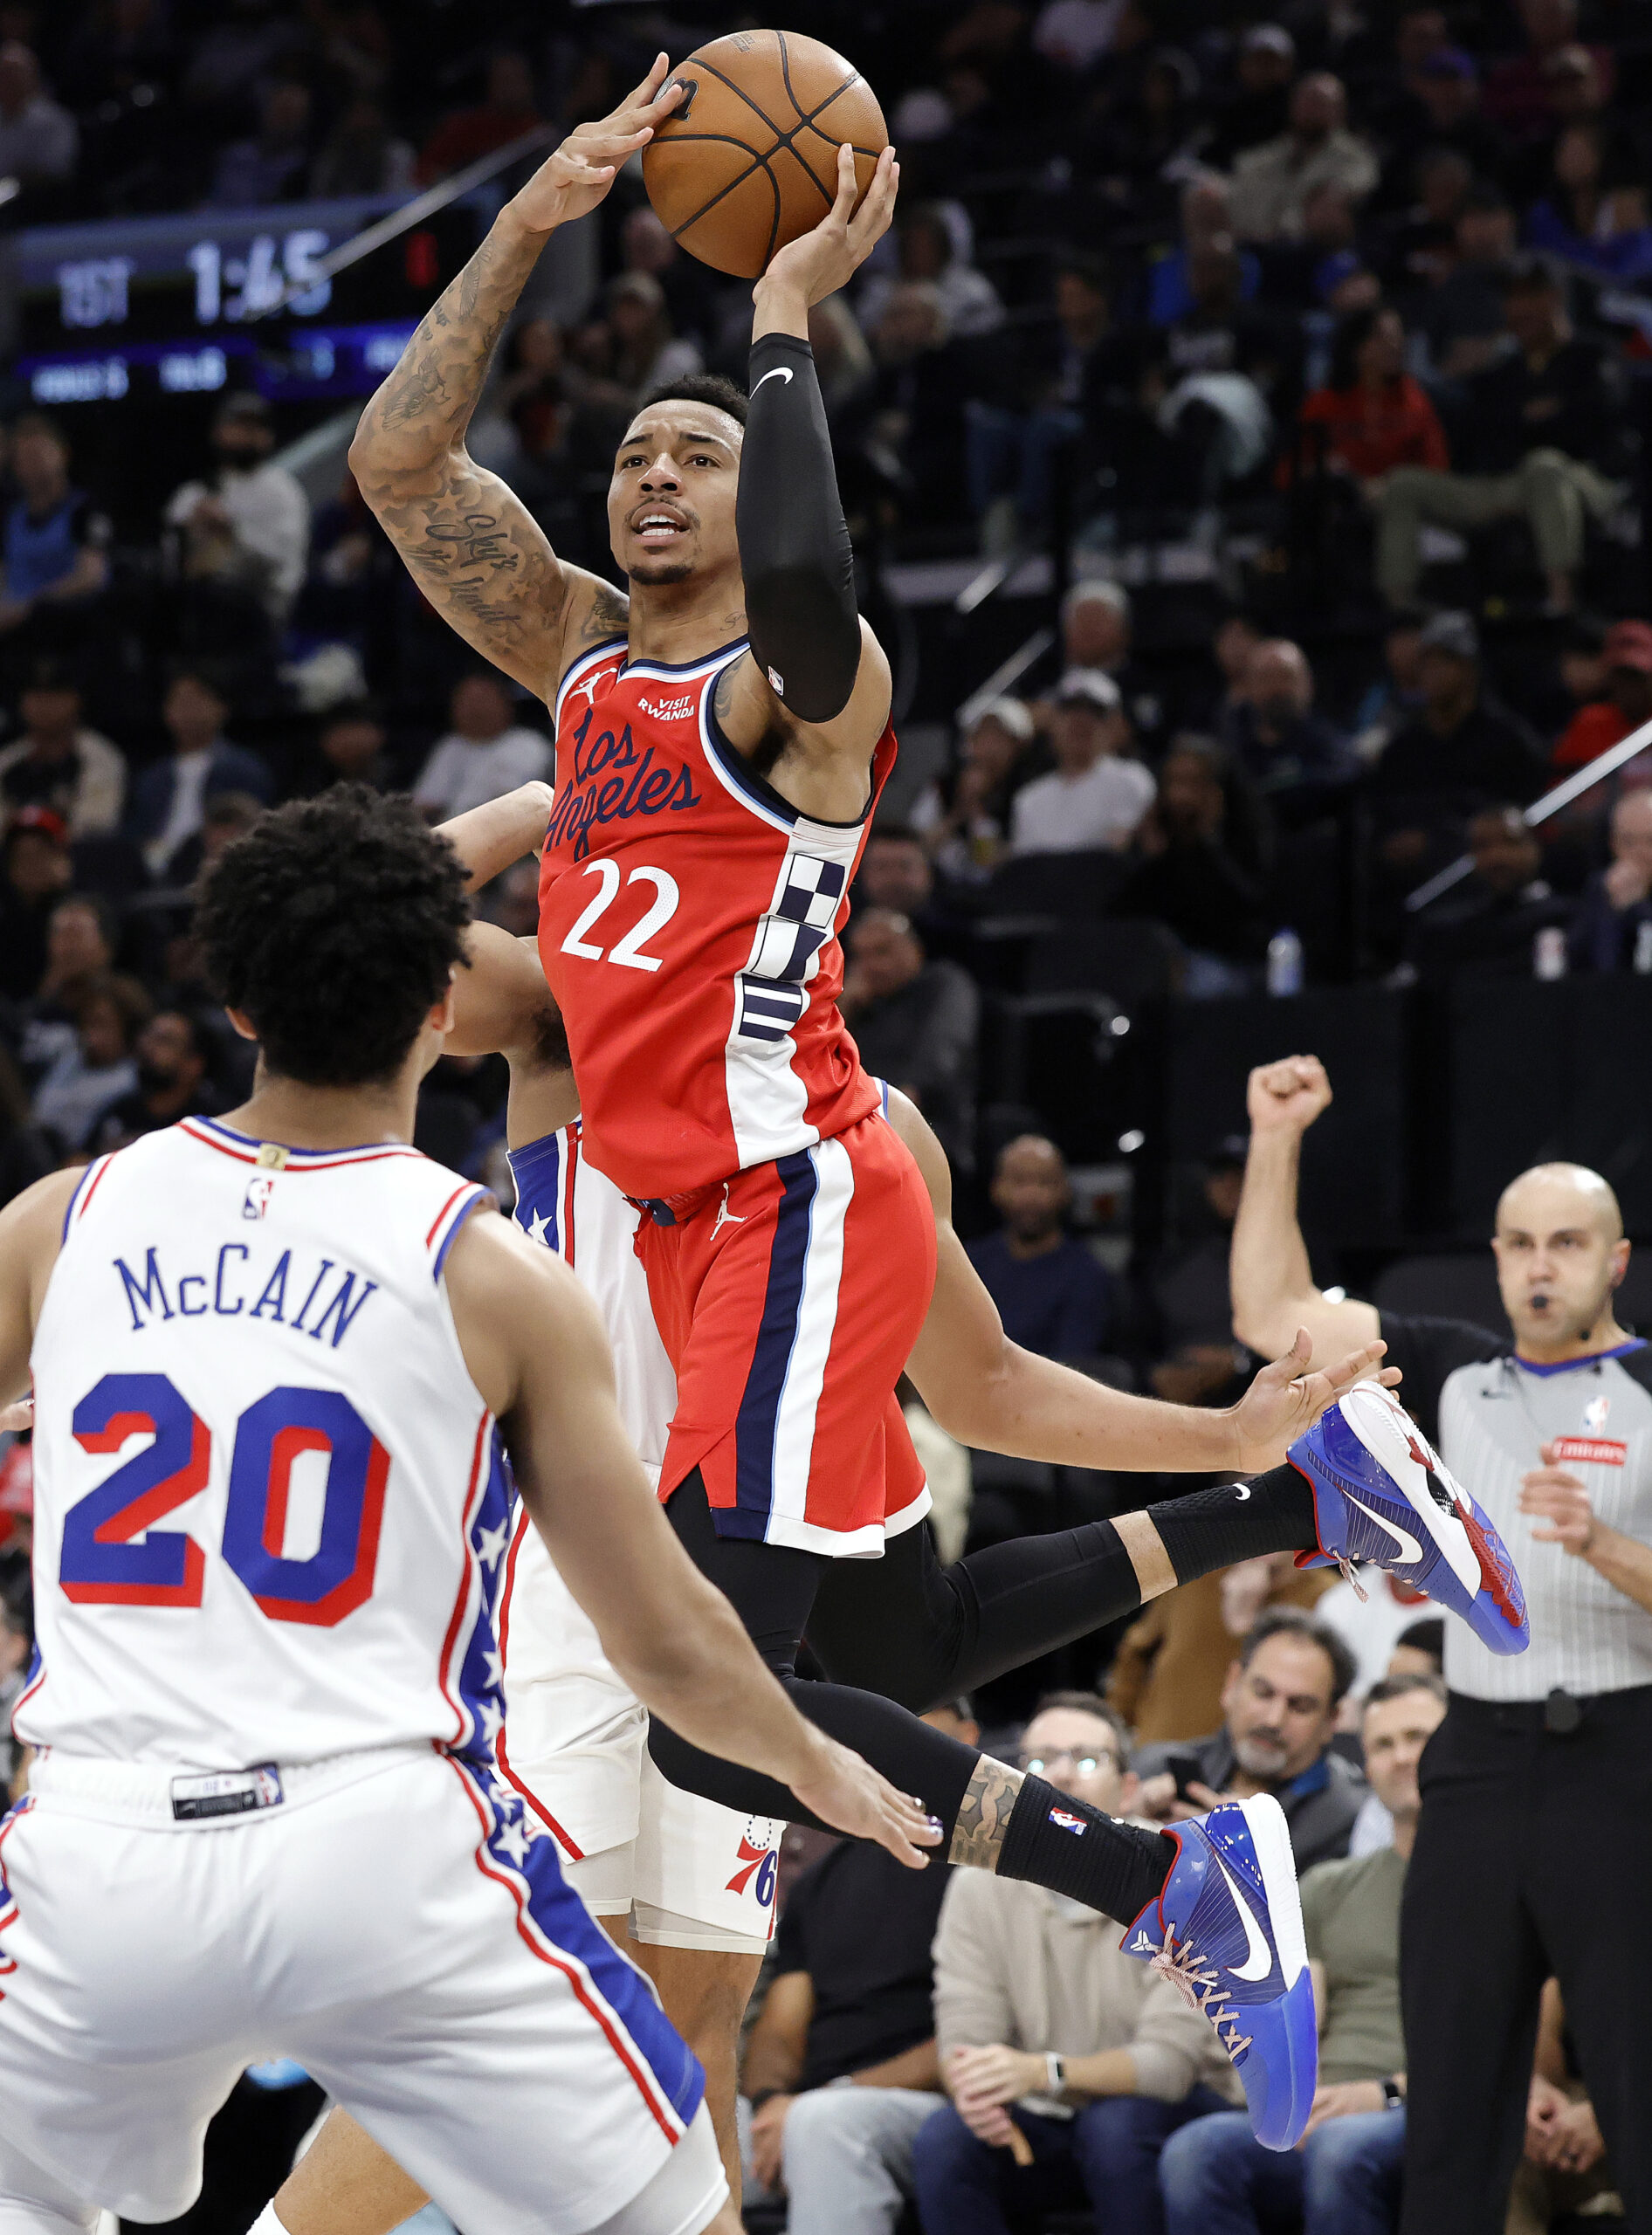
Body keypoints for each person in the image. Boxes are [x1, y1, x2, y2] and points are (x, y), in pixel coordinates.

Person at [347, 64, 1518, 2149]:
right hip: (727, 1214)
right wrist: (536, 215)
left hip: (790, 1173)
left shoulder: (807, 682)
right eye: (630, 454)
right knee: (879, 1607)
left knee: (725, 1698)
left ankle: (1175, 1866)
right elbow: (405, 459)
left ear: (755, 492)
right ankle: (1291, 1489)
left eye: (697, 454)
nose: (655, 478)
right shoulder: (592, 682)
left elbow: (805, 577)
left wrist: (788, 304)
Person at [0, 787, 949, 2235]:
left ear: (237, 1004)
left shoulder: (68, 1219)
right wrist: (809, 1760)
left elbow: (319, 909)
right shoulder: (489, 1271)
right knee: (676, 2212)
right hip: (377, 1845)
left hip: (100, 1845)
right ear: (447, 1005)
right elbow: (673, 1646)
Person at [1229, 1052, 1652, 2235]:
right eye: (1517, 1243)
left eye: (1565, 1244)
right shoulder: (1458, 1373)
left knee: (1636, 2078)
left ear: (1614, 1261)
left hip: (1623, 1760)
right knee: (1456, 2095)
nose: (1536, 1266)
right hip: (1479, 1758)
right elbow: (1271, 1317)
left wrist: (1605, 1550)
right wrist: (1277, 1138)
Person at [913, 1695, 1240, 2235]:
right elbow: (965, 2031)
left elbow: (1169, 2065)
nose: (1060, 1775)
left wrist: (1045, 2072)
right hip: (1050, 2118)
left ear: (1129, 1788)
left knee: (1114, 2127)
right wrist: (976, 2094)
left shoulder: (1184, 1881)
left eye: (1086, 1760)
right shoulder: (976, 1888)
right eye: (1038, 1763)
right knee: (948, 2138)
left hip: (1175, 2111)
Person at [1159, 1675, 1449, 2235]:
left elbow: (1501, 2039)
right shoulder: (1327, 1886)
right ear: (1364, 1763)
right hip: (1326, 2108)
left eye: (1419, 1737)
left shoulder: (1495, 1885)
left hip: (1424, 2106)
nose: (1403, 1757)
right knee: (1197, 2150)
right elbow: (1297, 2024)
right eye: (1384, 1745)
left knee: (1341, 2153)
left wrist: (1385, 2092)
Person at [740, 1701, 979, 2235]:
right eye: (893, 1731)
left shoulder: (984, 1874)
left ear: (968, 1737)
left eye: (925, 1730)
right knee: (681, 2134)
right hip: (811, 2103)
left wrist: (823, 2099)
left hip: (935, 2102)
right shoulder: (823, 1880)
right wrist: (772, 2102)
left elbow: (971, 2039)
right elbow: (780, 2026)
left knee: (825, 2128)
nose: (906, 1750)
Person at [1375, 255, 1628, 614]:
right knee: (1404, 484)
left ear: (1555, 297)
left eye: (1529, 295)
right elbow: (1480, 432)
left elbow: (1592, 420)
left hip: (1584, 480)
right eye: (1512, 298)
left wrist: (1528, 420)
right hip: (1508, 483)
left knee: (1544, 465)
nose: (1519, 308)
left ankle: (1561, 601)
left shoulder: (1594, 354)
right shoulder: (1500, 372)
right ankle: (1400, 612)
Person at [1134, 1609, 1368, 1870]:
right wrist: (1129, 1831)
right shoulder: (1153, 1766)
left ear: (1331, 1720)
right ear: (1232, 1683)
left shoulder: (1353, 1819)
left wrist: (1243, 1851)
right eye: (1263, 1693)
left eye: (1300, 1706)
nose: (1273, 1720)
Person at [1366, 614, 1543, 873]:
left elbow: (1519, 817)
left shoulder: (1509, 740)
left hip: (1479, 872)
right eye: (1426, 664)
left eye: (1444, 663)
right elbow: (1383, 814)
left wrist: (1438, 842)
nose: (1432, 674)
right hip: (1406, 879)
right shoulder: (1404, 748)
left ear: (1469, 670)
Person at [1117, 737, 1270, 995]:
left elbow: (1247, 909)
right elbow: (1129, 914)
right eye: (1174, 782)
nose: (1181, 795)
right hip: (1164, 957)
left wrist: (1206, 843)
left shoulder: (1245, 833)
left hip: (1226, 959)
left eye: (1193, 783)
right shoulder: (1158, 838)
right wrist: (1148, 857)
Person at [838, 910, 977, 1166]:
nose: (871, 966)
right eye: (861, 956)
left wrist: (900, 1105)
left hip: (931, 1129)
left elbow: (943, 1050)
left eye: (882, 952)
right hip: (864, 1133)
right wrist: (845, 1007)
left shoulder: (945, 984)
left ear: (914, 949)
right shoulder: (858, 1005)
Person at [967, 1136, 1119, 1365]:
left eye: (1044, 1182)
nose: (1031, 1195)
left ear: (1064, 1191)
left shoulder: (1086, 1275)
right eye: (1019, 1181)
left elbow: (1071, 1368)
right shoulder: (970, 1263)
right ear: (996, 1189)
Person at [163, 392, 311, 628]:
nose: (246, 434)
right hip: (199, 610)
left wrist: (231, 530)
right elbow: (171, 563)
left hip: (262, 610)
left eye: (255, 427)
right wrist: (191, 534)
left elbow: (282, 564)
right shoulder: (195, 493)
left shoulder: (282, 491)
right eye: (238, 425)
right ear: (218, 431)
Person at [124, 668, 273, 883]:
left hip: (215, 865)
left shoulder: (245, 769)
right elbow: (136, 832)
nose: (187, 708)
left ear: (222, 707)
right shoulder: (151, 778)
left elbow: (253, 825)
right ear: (166, 711)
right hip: (154, 873)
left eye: (197, 698)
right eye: (179, 700)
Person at [1403, 805, 1568, 981]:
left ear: (1534, 847)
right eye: (1482, 846)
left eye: (1510, 842)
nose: (1496, 856)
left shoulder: (1566, 917)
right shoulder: (1452, 932)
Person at [1009, 671, 1153, 854]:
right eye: (1070, 709)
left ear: (1114, 725)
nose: (1080, 720)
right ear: (1053, 723)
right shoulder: (1028, 800)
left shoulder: (1132, 780)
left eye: (1095, 712)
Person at [1229, 74, 1379, 244]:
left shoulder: (1355, 157)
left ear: (1339, 111)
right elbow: (1240, 183)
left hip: (1312, 249)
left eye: (1321, 103)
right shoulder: (1265, 158)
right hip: (1256, 246)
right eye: (1307, 101)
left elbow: (1354, 184)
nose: (1312, 110)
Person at [0, 417, 111, 638]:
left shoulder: (84, 510)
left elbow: (92, 575)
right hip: (15, 634)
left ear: (63, 454)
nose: (35, 464)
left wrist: (33, 606)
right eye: (26, 458)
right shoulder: (9, 518)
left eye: (41, 454)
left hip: (69, 627)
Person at [1219, 639, 1355, 815]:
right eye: (1266, 678)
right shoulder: (1232, 746)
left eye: (1286, 676)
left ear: (1308, 684)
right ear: (1248, 687)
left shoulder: (1332, 748)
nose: (1277, 688)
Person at [0, 659, 124, 840]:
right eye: (36, 696)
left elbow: (95, 829)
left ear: (76, 701)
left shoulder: (101, 758)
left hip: (73, 859)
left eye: (55, 695)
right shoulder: (7, 760)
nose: (44, 705)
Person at [29, 970, 150, 1153]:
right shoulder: (71, 1059)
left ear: (127, 1030)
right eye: (87, 1022)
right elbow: (39, 1113)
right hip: (39, 1147)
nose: (90, 1034)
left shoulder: (131, 1080)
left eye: (101, 1024)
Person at [412, 671, 552, 823]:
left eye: (481, 700)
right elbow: (425, 804)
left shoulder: (529, 744)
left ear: (506, 704)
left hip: (505, 833)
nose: (474, 709)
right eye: (465, 701)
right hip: (448, 836)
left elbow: (520, 807)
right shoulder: (451, 745)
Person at [86, 1008, 225, 1151]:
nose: (148, 1046)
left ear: (194, 1064)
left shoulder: (211, 1122)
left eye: (164, 1040)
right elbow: (79, 1159)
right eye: (148, 1035)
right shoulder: (122, 1110)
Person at [1552, 617, 1652, 772]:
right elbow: (1560, 786)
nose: (1630, 687)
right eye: (1621, 677)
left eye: (1637, 677)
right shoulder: (1590, 723)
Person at [1568, 790, 1652, 971]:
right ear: (1613, 845)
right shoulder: (1601, 886)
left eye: (1650, 840)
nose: (1641, 852)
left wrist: (1635, 908)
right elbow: (1582, 959)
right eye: (1628, 841)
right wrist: (1614, 908)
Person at [0, 41, 77, 194]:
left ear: (33, 77)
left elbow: (56, 171)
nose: (9, 81)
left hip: (35, 203)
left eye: (16, 73)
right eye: (4, 74)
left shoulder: (55, 121)